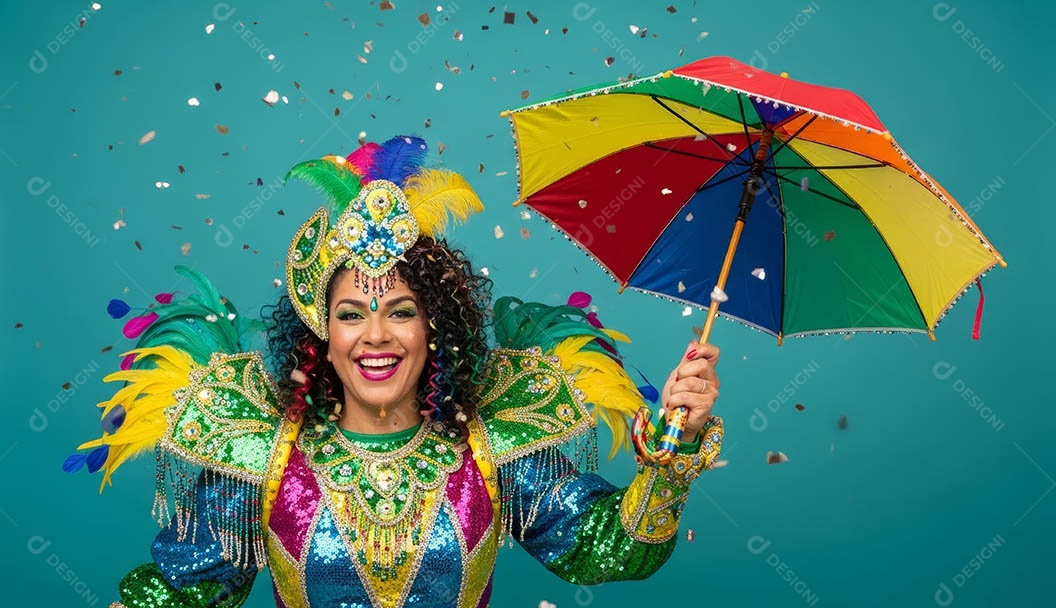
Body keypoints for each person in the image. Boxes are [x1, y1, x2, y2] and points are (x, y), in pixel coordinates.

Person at [70, 135, 725, 608]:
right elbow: (186, 592)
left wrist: (676, 442)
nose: (376, 336)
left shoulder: (493, 445)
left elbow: (613, 551)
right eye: (352, 314)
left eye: (401, 311)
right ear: (321, 334)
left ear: (434, 328)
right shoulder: (264, 454)